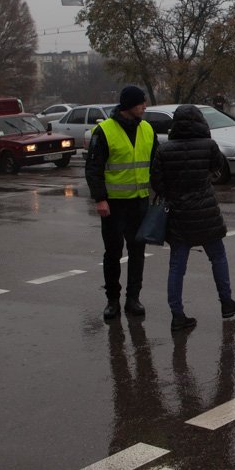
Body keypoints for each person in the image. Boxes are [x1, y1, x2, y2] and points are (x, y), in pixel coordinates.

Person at [150, 105, 235, 332]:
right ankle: (226, 302)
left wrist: (173, 194)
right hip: (205, 211)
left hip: (178, 214)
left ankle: (177, 314)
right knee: (218, 257)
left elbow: (157, 182)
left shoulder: (164, 150)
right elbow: (218, 168)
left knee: (177, 266)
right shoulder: (208, 145)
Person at [85, 85, 157, 320]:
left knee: (137, 253)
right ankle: (112, 300)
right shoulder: (104, 131)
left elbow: (156, 163)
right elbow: (93, 168)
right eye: (141, 103)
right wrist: (100, 199)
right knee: (113, 253)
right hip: (114, 205)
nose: (145, 106)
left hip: (139, 202)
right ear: (128, 105)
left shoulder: (147, 129)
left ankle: (133, 299)